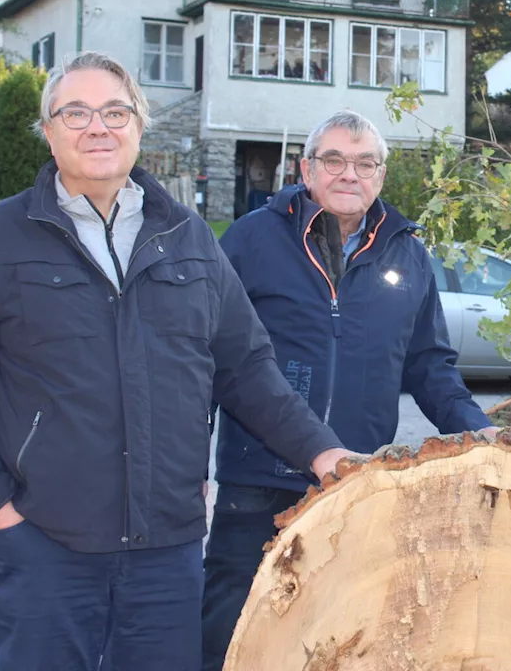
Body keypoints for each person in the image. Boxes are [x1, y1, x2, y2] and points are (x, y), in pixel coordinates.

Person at [0, 51, 354, 671]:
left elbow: (246, 368)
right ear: (49, 130)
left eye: (115, 111)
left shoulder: (188, 236)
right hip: (42, 544)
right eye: (77, 112)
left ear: (138, 127)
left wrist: (322, 451)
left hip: (165, 552)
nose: (99, 127)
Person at [201, 109, 496, 671]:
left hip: (357, 481)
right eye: (333, 160)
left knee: (334, 636)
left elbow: (430, 365)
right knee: (231, 629)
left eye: (365, 163)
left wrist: (484, 433)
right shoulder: (250, 241)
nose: (348, 174)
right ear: (306, 170)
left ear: (381, 176)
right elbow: (208, 362)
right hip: (259, 478)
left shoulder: (405, 252)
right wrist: (192, 464)